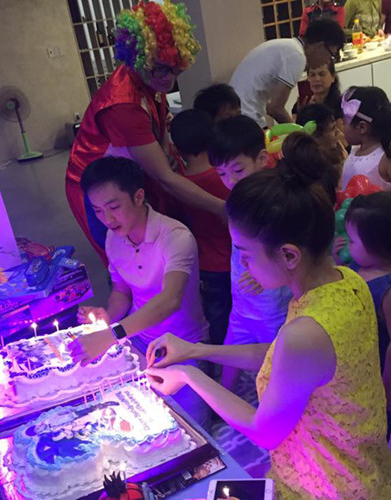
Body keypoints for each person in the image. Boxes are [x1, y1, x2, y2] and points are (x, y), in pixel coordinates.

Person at [146, 133, 391, 499]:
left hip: (328, 483)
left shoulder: (307, 332)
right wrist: (195, 351)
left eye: (246, 254)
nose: (243, 265)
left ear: (289, 255)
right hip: (359, 465)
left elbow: (264, 431)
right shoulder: (346, 280)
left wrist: (189, 375)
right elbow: (282, 358)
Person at [65, 0, 224, 265]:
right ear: (137, 58)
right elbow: (164, 177)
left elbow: (159, 140)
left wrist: (163, 147)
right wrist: (222, 208)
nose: (168, 78)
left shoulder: (148, 79)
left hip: (127, 170)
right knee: (127, 258)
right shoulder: (123, 104)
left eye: (175, 68)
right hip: (96, 185)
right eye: (159, 68)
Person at [68, 156, 210, 427]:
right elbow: (122, 292)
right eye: (98, 211)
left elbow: (170, 300)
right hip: (138, 342)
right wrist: (108, 316)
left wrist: (112, 334)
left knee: (188, 429)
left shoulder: (175, 237)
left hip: (183, 346)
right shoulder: (113, 238)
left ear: (138, 196)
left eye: (114, 207)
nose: (107, 219)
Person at [208, 115, 292, 390]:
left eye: (238, 170)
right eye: (222, 174)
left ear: (262, 158)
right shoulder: (237, 199)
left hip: (274, 309)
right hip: (242, 307)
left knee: (277, 371)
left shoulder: (276, 200)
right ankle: (219, 409)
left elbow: (296, 254)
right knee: (229, 366)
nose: (230, 180)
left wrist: (270, 274)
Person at [170, 110, 232, 345]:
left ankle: (217, 355)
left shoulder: (180, 185)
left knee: (216, 316)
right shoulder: (225, 176)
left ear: (177, 149)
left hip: (206, 264)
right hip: (234, 261)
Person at [338, 192, 391, 439]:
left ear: (378, 246)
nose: (347, 244)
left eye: (352, 240)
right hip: (352, 360)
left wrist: (386, 388)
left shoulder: (387, 290)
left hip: (375, 369)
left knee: (374, 425)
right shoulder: (361, 265)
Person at [229, 18, 345, 128]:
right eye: (331, 55)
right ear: (320, 46)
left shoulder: (289, 47)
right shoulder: (297, 56)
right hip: (246, 116)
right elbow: (275, 109)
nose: (328, 61)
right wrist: (300, 133)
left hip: (238, 112)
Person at [341, 86, 391, 190]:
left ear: (362, 127)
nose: (341, 127)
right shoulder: (354, 150)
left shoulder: (385, 159)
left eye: (344, 122)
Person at [297, 103, 347, 185]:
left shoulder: (337, 154)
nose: (338, 132)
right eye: (332, 129)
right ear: (315, 136)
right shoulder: (310, 174)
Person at [292, 58, 342, 122]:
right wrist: (302, 113)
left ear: (333, 77)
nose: (317, 79)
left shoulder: (340, 105)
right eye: (312, 75)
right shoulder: (302, 103)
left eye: (322, 74)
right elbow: (293, 126)